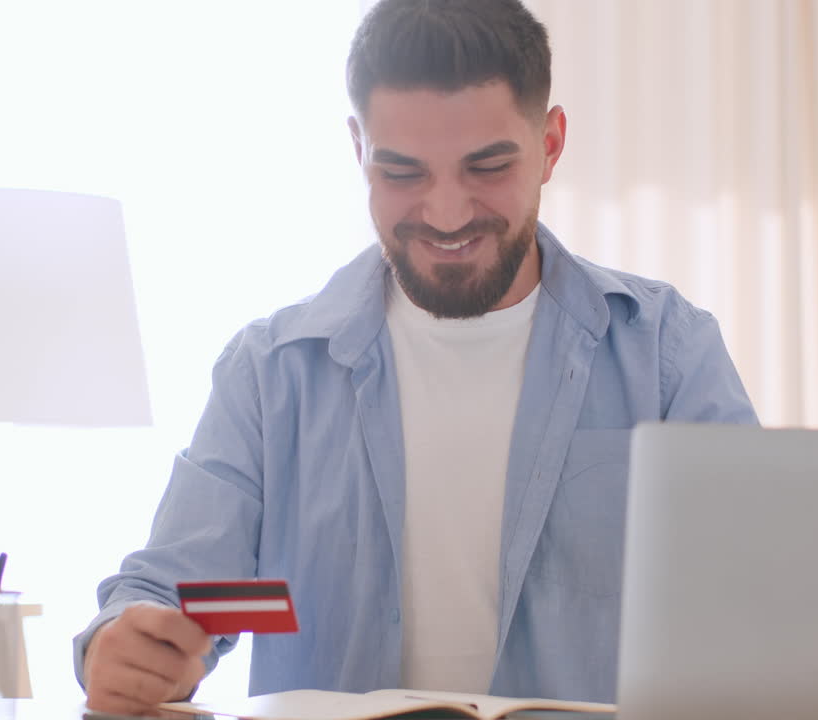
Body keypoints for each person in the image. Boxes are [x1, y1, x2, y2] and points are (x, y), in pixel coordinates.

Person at [76, 0, 758, 715]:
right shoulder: (270, 374)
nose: (447, 213)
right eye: (402, 173)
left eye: (487, 167)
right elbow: (168, 591)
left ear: (551, 145)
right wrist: (122, 648)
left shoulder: (666, 353)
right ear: (358, 151)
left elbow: (762, 588)